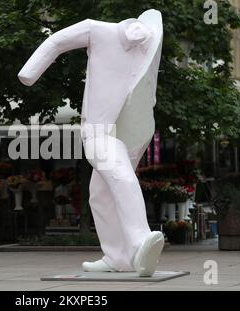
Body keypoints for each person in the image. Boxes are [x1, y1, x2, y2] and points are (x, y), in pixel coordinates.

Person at [18, 10, 165, 276]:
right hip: (135, 129)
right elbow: (56, 43)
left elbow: (56, 42)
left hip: (107, 128)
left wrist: (28, 73)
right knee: (100, 193)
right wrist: (29, 72)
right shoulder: (138, 39)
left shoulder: (146, 42)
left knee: (118, 174)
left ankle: (140, 238)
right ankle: (117, 256)